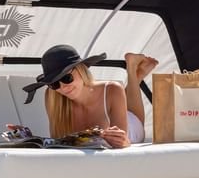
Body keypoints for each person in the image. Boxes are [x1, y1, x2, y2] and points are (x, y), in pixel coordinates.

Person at [22, 44, 157, 148]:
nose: (63, 87)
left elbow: (123, 143)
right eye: (54, 84)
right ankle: (137, 75)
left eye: (67, 78)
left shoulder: (112, 89)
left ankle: (133, 71)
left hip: (131, 130)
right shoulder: (52, 96)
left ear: (81, 70)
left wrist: (124, 141)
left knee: (133, 117)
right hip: (109, 112)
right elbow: (57, 142)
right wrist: (25, 137)